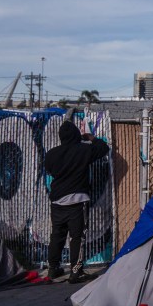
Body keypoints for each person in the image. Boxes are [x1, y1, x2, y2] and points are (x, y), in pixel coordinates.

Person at [44, 120, 109, 283]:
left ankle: (53, 269)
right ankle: (76, 271)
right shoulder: (83, 150)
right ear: (75, 135)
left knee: (57, 235)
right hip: (78, 202)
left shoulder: (52, 153)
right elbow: (103, 148)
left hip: (57, 201)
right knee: (77, 237)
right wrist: (90, 137)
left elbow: (50, 170)